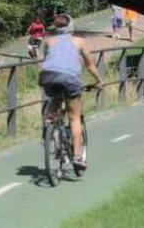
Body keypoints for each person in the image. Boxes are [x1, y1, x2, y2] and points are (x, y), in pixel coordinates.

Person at [39, 13, 103, 173]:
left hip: (48, 76)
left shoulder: (49, 41)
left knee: (55, 100)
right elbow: (90, 65)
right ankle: (77, 157)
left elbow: (49, 60)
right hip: (70, 79)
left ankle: (50, 123)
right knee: (74, 117)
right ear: (71, 26)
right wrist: (99, 81)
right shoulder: (80, 41)